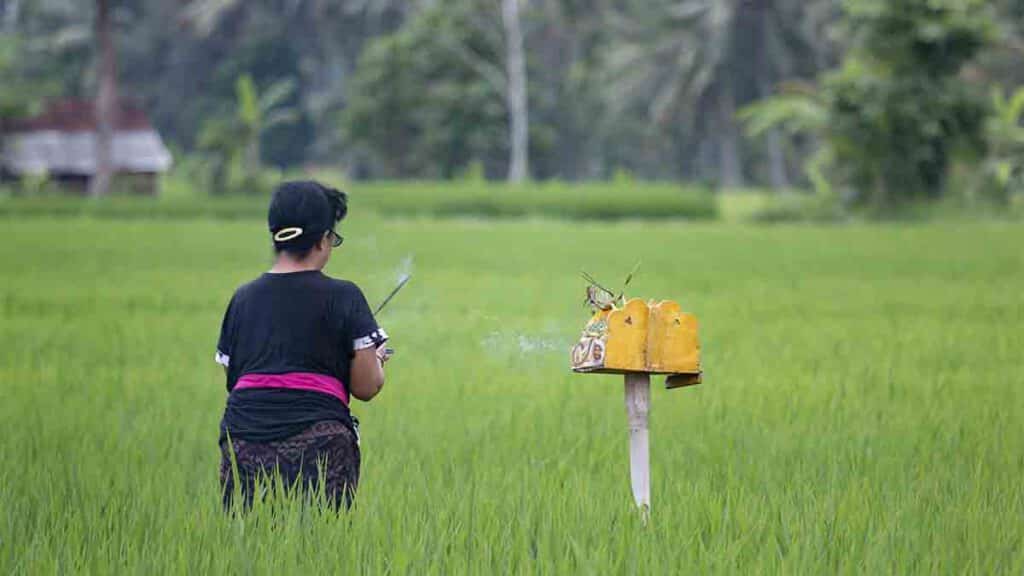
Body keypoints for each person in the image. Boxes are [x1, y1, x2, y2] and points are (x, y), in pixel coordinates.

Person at [215, 180, 390, 510]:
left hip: (243, 439)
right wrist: (375, 359)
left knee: (248, 546)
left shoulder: (243, 298)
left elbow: (233, 378)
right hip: (321, 443)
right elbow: (366, 387)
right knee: (320, 547)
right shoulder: (344, 295)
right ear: (324, 239)